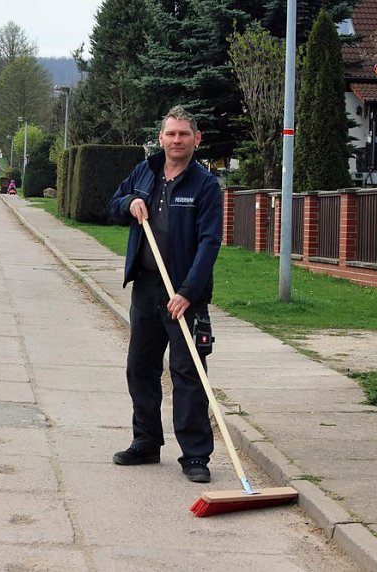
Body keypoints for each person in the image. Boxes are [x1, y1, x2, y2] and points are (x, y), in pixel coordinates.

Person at [106, 106, 223, 483]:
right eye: (171, 134)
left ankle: (195, 456)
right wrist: (129, 203)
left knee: (187, 372)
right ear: (161, 137)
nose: (176, 141)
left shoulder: (205, 185)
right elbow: (112, 207)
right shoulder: (145, 172)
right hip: (147, 285)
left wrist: (188, 292)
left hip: (184, 292)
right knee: (140, 367)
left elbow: (210, 242)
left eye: (184, 135)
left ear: (196, 139)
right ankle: (146, 442)